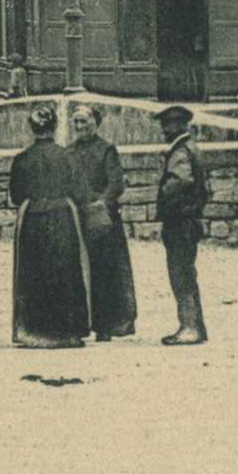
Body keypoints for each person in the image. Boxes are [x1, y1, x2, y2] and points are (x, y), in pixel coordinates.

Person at [6, 102, 94, 349]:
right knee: (65, 270)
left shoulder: (22, 160)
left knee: (34, 272)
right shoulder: (68, 157)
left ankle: (35, 330)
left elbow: (16, 195)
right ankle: (67, 331)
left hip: (33, 218)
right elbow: (80, 190)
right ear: (55, 127)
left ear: (32, 129)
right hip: (62, 218)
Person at [67, 102, 137, 341]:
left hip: (103, 219)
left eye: (84, 122)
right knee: (79, 270)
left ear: (95, 124)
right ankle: (80, 323)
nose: (80, 127)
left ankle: (106, 325)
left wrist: (101, 203)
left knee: (105, 271)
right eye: (76, 122)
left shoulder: (107, 150)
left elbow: (116, 183)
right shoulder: (69, 152)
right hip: (79, 216)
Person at [154, 104, 210, 346]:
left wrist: (165, 200)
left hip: (180, 220)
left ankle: (190, 327)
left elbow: (180, 181)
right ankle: (193, 325)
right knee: (186, 272)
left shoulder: (180, 151)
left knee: (181, 274)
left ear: (177, 126)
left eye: (167, 125)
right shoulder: (191, 148)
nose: (164, 130)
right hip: (189, 219)